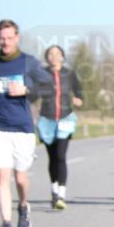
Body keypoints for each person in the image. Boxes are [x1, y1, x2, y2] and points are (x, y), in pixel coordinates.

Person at [0, 20, 45, 227]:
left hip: (23, 128)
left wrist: (27, 90)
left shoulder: (29, 62)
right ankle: (6, 224)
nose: (5, 42)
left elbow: (46, 87)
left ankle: (23, 205)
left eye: (9, 38)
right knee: (2, 175)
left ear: (17, 38)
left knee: (20, 177)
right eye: (2, 38)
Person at [33, 44, 84, 209]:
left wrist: (79, 99)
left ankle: (61, 194)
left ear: (62, 57)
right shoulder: (42, 74)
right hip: (46, 119)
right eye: (50, 54)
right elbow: (33, 94)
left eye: (57, 53)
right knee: (53, 157)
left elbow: (79, 92)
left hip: (65, 118)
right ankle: (54, 189)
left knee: (61, 156)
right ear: (47, 58)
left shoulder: (69, 74)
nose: (54, 56)